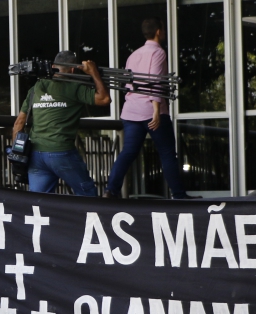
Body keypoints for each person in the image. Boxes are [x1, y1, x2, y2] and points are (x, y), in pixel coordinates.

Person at [104, 19, 187, 200]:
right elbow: (155, 81)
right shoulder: (158, 52)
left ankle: (111, 190)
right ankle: (179, 196)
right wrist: (156, 110)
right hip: (151, 110)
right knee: (167, 154)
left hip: (131, 111)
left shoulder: (133, 55)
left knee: (128, 152)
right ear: (158, 31)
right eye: (163, 29)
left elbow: (128, 83)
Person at [12, 50, 110, 197]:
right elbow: (104, 99)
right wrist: (93, 73)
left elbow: (19, 123)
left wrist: (17, 155)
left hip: (36, 155)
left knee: (38, 202)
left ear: (53, 67)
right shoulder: (74, 87)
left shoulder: (36, 88)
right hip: (61, 152)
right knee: (87, 194)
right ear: (72, 69)